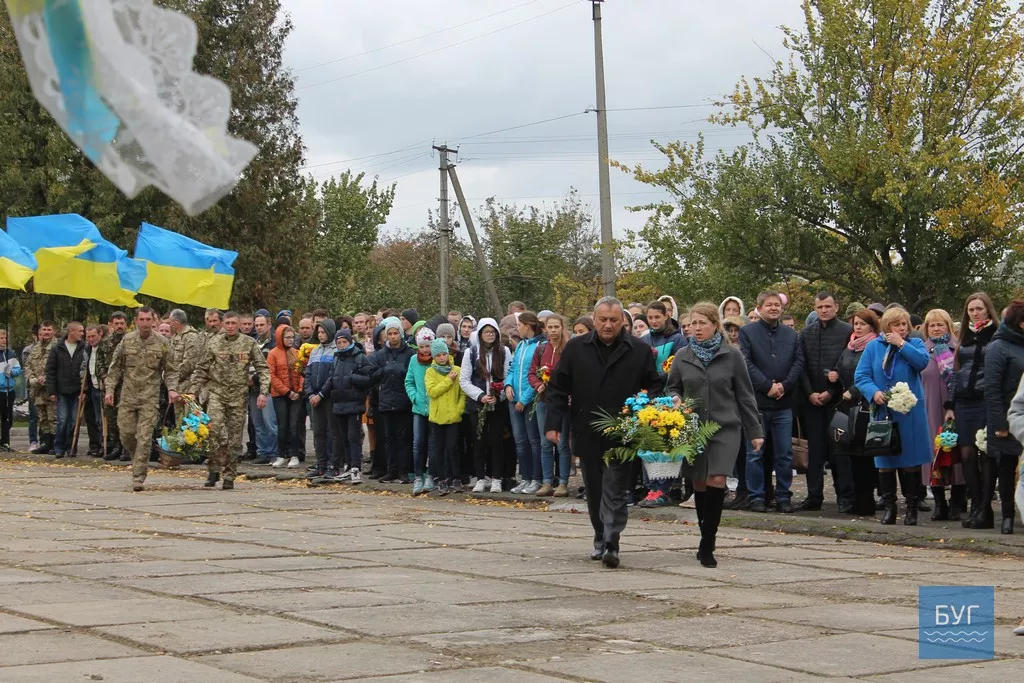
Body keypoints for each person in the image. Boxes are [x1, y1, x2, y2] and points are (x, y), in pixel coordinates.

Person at [544, 297, 662, 569]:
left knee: (617, 488)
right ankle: (600, 535)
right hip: (587, 430)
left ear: (623, 321)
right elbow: (558, 388)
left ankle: (612, 540)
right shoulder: (575, 349)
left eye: (614, 320)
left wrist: (646, 406)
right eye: (603, 320)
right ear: (594, 320)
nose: (608, 325)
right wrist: (552, 424)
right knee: (596, 491)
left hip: (624, 432)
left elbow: (654, 385)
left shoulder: (639, 350)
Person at [666, 303, 763, 568]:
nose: (696, 328)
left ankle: (708, 542)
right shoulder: (683, 356)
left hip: (725, 427)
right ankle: (704, 533)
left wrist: (755, 431)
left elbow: (745, 395)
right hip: (693, 428)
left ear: (714, 325)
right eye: (693, 324)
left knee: (717, 477)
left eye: (702, 323)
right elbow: (672, 386)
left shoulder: (732, 355)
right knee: (699, 482)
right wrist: (675, 398)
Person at [854, 307, 932, 525]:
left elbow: (922, 363)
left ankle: (912, 508)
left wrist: (901, 343)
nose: (902, 328)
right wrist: (873, 392)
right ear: (887, 326)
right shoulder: (873, 347)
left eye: (904, 324)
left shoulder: (914, 344)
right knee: (885, 460)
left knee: (911, 461)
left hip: (910, 412)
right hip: (883, 411)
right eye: (897, 324)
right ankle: (889, 507)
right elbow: (861, 376)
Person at [739, 291, 805, 513]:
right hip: (757, 403)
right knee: (755, 453)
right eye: (769, 305)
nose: (774, 308)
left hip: (783, 403)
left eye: (777, 305)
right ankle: (757, 496)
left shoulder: (791, 334)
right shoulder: (747, 332)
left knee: (785, 454)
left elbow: (798, 362)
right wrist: (767, 386)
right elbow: (745, 362)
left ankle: (784, 496)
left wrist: (784, 386)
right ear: (759, 308)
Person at [104, 308, 179, 491]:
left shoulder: (162, 343)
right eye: (142, 319)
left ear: (153, 321)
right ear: (136, 321)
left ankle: (138, 476)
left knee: (144, 438)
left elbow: (171, 369)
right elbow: (114, 369)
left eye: (148, 319)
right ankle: (136, 456)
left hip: (149, 397)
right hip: (128, 396)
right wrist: (110, 390)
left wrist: (172, 389)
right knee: (127, 435)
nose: (145, 323)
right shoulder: (127, 340)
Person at [192, 311, 269, 490]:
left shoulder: (248, 343)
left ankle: (229, 475)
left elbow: (262, 368)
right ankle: (213, 468)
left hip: (238, 396)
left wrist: (263, 392)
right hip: (217, 394)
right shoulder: (213, 343)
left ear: (239, 324)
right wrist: (192, 391)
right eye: (228, 323)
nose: (231, 326)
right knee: (213, 431)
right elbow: (201, 368)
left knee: (235, 439)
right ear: (223, 324)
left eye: (234, 323)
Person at [796, 291, 853, 512]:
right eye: (820, 307)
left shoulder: (847, 332)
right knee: (815, 452)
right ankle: (814, 495)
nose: (824, 311)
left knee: (840, 450)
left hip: (839, 401)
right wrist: (810, 393)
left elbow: (846, 364)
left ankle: (845, 496)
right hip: (811, 402)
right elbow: (801, 366)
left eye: (828, 307)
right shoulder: (806, 333)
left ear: (836, 307)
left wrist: (830, 392)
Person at [951, 292, 999, 529]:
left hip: (986, 399)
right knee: (967, 455)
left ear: (988, 310)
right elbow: (955, 371)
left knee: (986, 454)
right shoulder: (964, 335)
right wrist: (950, 404)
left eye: (979, 309)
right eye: (971, 310)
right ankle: (976, 504)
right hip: (964, 401)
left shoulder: (997, 335)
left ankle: (985, 509)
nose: (975, 313)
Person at [639, 300, 688, 508]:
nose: (653, 321)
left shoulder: (677, 339)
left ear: (666, 315)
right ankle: (651, 487)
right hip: (648, 396)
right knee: (648, 443)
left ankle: (665, 489)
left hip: (668, 396)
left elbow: (677, 368)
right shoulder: (644, 339)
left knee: (666, 444)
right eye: (649, 317)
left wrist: (655, 373)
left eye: (657, 317)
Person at [982, 300, 1024, 534]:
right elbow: (992, 388)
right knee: (1007, 468)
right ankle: (1007, 515)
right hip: (1008, 418)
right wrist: (1000, 423)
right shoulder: (999, 347)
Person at [834, 309, 880, 515]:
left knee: (866, 456)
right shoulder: (850, 347)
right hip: (849, 408)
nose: (858, 327)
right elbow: (841, 367)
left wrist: (852, 391)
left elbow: (872, 374)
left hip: (866, 405)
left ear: (872, 325)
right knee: (851, 454)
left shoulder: (875, 346)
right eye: (855, 324)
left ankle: (867, 500)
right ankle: (855, 499)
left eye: (862, 324)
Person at [462, 318, 512, 493]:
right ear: (481, 334)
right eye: (486, 332)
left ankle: (497, 478)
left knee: (496, 441)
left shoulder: (504, 351)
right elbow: (464, 380)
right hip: (477, 405)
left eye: (492, 332)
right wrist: (481, 395)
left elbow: (507, 376)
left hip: (498, 404)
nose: (490, 335)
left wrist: (499, 395)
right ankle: (480, 477)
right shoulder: (471, 353)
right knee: (479, 441)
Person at [922, 309, 963, 520]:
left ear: (949, 326)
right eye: (932, 325)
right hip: (929, 410)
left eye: (940, 324)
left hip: (954, 409)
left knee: (955, 452)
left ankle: (957, 501)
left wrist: (954, 407)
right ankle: (939, 503)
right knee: (933, 455)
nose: (936, 328)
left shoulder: (958, 349)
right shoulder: (921, 351)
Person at [321, 328, 371, 482]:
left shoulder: (359, 357)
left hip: (354, 402)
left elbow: (368, 378)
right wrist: (322, 394)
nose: (342, 345)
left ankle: (356, 468)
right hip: (339, 402)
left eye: (344, 342)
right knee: (343, 437)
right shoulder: (336, 358)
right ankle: (348, 466)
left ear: (350, 342)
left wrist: (352, 378)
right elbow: (331, 378)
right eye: (339, 342)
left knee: (353, 436)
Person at [369, 317, 415, 484]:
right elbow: (372, 375)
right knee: (389, 438)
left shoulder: (410, 353)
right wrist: (385, 371)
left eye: (396, 333)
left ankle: (404, 471)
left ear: (401, 334)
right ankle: (391, 470)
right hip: (386, 400)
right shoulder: (380, 355)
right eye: (390, 333)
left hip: (404, 401)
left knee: (403, 438)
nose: (393, 336)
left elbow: (412, 375)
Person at [530, 313, 571, 497]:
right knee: (546, 443)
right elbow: (532, 373)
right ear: (545, 329)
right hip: (544, 401)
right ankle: (547, 482)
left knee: (562, 443)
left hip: (561, 403)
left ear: (562, 328)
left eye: (557, 327)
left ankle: (563, 483)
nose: (553, 331)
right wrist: (538, 384)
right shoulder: (541, 349)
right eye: (550, 327)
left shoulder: (568, 349)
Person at [506, 311, 545, 495]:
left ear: (527, 325)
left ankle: (537, 479)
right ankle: (526, 478)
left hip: (529, 401)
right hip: (514, 400)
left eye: (519, 325)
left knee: (533, 441)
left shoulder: (540, 345)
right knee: (520, 441)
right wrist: (507, 384)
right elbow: (513, 368)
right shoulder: (521, 345)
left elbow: (537, 375)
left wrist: (525, 398)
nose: (518, 329)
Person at [425, 338, 467, 495]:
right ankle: (441, 479)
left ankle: (455, 477)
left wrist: (459, 409)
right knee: (438, 449)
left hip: (453, 416)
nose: (442, 358)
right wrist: (448, 380)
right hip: (437, 418)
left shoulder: (457, 369)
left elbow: (462, 393)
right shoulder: (430, 371)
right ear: (434, 357)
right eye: (438, 355)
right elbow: (432, 391)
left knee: (453, 447)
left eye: (444, 354)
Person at [46, 321, 86, 458]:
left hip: (77, 390)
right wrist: (52, 391)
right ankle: (59, 446)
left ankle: (71, 446)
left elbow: (86, 370)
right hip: (62, 390)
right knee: (62, 420)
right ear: (71, 332)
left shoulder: (84, 348)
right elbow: (50, 371)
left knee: (74, 420)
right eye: (80, 331)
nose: (82, 333)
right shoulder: (57, 348)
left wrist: (84, 390)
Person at [304, 319, 338, 479]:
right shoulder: (315, 351)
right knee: (318, 432)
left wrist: (321, 394)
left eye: (323, 332)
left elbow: (333, 377)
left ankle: (333, 464)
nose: (320, 335)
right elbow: (308, 374)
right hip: (314, 398)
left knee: (332, 432)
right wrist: (310, 393)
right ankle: (321, 464)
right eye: (319, 332)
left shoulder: (336, 351)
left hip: (328, 398)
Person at [267, 325, 304, 469]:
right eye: (287, 337)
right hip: (280, 395)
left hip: (296, 395)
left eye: (292, 337)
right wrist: (287, 392)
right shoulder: (273, 354)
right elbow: (272, 376)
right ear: (280, 338)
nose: (290, 340)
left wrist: (299, 390)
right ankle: (281, 455)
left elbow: (302, 372)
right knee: (282, 425)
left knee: (294, 425)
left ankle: (294, 455)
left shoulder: (296, 352)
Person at [406, 327, 436, 495]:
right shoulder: (413, 360)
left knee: (432, 444)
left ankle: (431, 475)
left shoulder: (438, 360)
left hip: (434, 409)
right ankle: (419, 476)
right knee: (418, 443)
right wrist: (415, 397)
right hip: (418, 408)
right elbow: (408, 381)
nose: (425, 349)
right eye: (422, 346)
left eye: (428, 345)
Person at [95, 312, 127, 460]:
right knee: (112, 417)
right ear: (111, 325)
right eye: (117, 323)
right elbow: (99, 364)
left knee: (126, 418)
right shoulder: (105, 343)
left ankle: (126, 447)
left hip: (127, 386)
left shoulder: (130, 341)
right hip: (110, 387)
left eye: (122, 323)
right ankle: (116, 445)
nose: (119, 326)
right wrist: (105, 377)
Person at [27, 321, 57, 455]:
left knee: (53, 418)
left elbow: (60, 366)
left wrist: (46, 377)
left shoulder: (57, 347)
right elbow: (27, 365)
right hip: (38, 391)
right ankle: (46, 442)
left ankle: (56, 444)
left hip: (51, 389)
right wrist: (32, 378)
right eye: (44, 330)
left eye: (49, 330)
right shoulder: (35, 348)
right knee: (42, 418)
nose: (46, 332)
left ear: (53, 331)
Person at [80, 325, 104, 457]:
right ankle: (95, 444)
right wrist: (83, 389)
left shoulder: (104, 349)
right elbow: (83, 368)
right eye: (88, 337)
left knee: (102, 419)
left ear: (100, 334)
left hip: (102, 387)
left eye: (93, 336)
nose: (90, 339)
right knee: (92, 418)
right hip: (91, 386)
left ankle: (104, 444)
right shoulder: (87, 350)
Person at [0, 329, 21, 451]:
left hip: (8, 390)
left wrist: (11, 372)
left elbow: (18, 370)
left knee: (7, 418)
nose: (4, 340)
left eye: (5, 338)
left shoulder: (11, 354)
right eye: (1, 338)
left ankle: (5, 442)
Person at [22, 325, 39, 449]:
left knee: (47, 416)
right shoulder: (28, 350)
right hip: (33, 386)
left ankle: (46, 440)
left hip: (47, 385)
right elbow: (27, 366)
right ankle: (33, 440)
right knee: (34, 415)